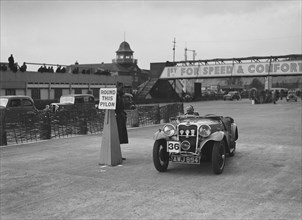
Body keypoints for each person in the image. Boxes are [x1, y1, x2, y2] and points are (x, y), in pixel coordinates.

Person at [115, 82, 128, 160]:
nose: (123, 89)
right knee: (118, 135)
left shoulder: (120, 95)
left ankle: (118, 154)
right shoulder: (117, 95)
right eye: (121, 87)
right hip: (118, 117)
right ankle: (117, 154)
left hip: (120, 116)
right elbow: (118, 106)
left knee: (119, 136)